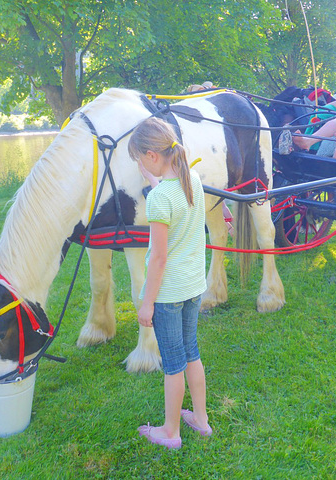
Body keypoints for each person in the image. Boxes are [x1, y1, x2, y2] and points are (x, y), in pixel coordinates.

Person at [128, 117, 212, 450]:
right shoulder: (192, 179)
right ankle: (201, 421)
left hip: (168, 295)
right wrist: (154, 180)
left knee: (173, 365)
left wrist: (147, 302)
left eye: (140, 157)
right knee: (192, 354)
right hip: (193, 287)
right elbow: (170, 196)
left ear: (151, 155)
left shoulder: (160, 199)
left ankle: (170, 431)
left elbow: (159, 259)